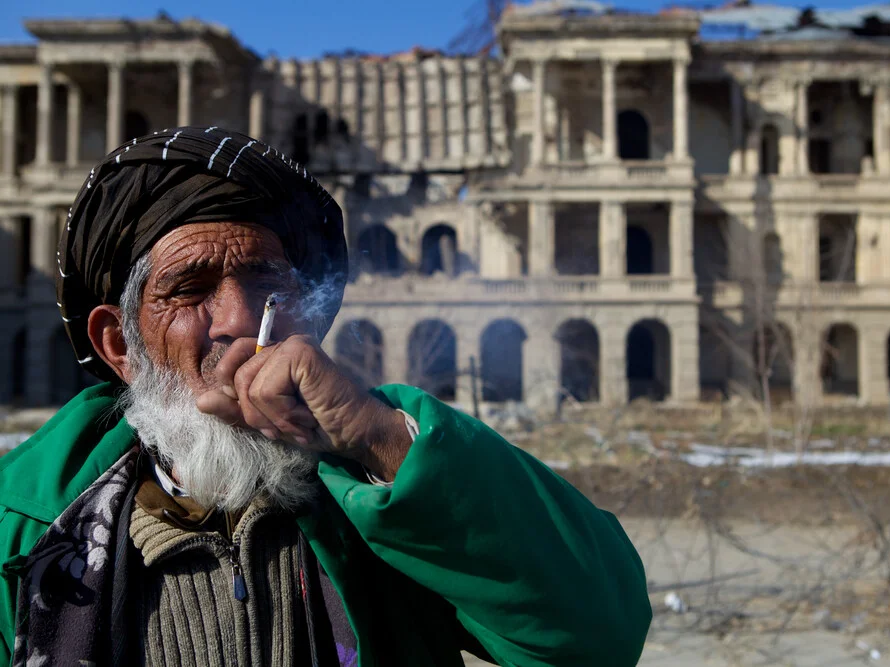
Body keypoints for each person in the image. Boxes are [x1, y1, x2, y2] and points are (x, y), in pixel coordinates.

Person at [0, 127, 651, 667]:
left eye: (265, 278)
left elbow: (597, 636)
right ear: (119, 344)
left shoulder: (381, 494)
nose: (237, 317)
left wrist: (379, 436)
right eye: (189, 287)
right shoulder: (26, 529)